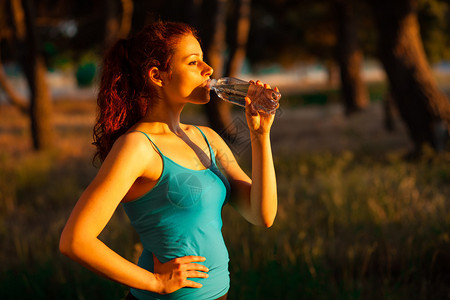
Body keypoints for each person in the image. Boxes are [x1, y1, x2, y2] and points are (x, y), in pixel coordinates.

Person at [59, 21, 278, 300]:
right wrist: (155, 283)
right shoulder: (136, 147)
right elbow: (74, 241)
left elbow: (262, 215)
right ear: (157, 75)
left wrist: (260, 136)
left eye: (204, 60)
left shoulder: (207, 138)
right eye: (193, 62)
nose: (208, 69)